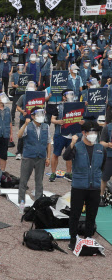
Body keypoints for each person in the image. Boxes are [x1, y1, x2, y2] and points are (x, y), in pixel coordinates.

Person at [63, 121, 106, 251]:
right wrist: (71, 144)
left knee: (91, 215)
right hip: (79, 186)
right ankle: (72, 239)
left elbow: (102, 167)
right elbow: (66, 157)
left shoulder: (100, 148)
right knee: (75, 214)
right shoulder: (77, 146)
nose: (93, 135)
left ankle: (88, 237)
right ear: (84, 133)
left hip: (94, 187)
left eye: (95, 132)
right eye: (91, 132)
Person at [17, 108, 51, 211]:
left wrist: (48, 157)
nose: (41, 116)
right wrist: (25, 124)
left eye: (42, 114)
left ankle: (38, 205)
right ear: (32, 116)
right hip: (28, 156)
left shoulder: (46, 126)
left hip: (41, 156)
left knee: (39, 182)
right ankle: (21, 205)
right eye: (38, 114)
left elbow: (48, 142)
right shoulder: (28, 126)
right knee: (23, 181)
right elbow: (19, 135)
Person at [49, 90, 76, 182]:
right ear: (63, 97)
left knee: (70, 155)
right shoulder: (58, 107)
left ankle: (68, 173)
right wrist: (58, 122)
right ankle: (53, 173)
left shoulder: (75, 107)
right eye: (68, 95)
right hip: (60, 134)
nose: (70, 97)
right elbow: (52, 119)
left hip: (71, 134)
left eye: (72, 95)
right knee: (56, 154)